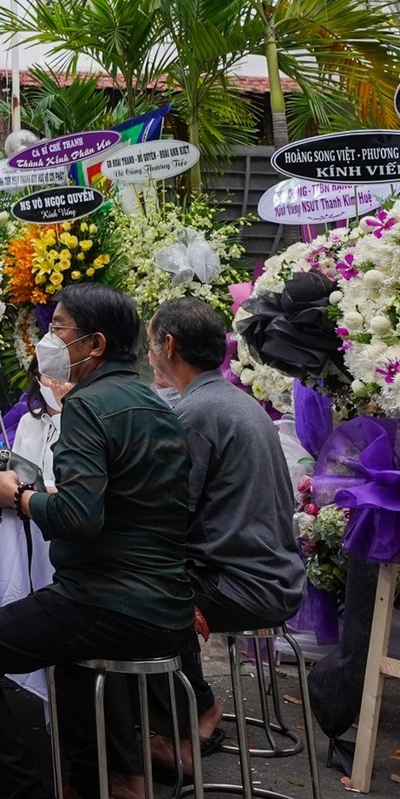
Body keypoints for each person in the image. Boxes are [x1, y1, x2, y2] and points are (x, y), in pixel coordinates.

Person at [0, 282, 197, 799]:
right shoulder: (157, 403)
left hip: (108, 602)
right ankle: (85, 790)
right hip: (166, 610)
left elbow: (80, 519)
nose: (49, 341)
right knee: (68, 656)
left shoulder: (86, 406)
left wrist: (21, 495)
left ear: (95, 344)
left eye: (59, 330)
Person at [149, 296, 306, 752]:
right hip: (271, 573)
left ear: (169, 345)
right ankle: (178, 712)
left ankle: (188, 712)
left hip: (244, 583)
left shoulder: (197, 413)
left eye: (151, 344)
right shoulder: (232, 401)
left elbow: (169, 512)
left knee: (130, 594)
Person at [7, 328, 74, 486]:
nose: (56, 383)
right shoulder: (28, 421)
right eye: (50, 375)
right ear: (37, 377)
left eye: (64, 374)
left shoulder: (83, 424)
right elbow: (14, 474)